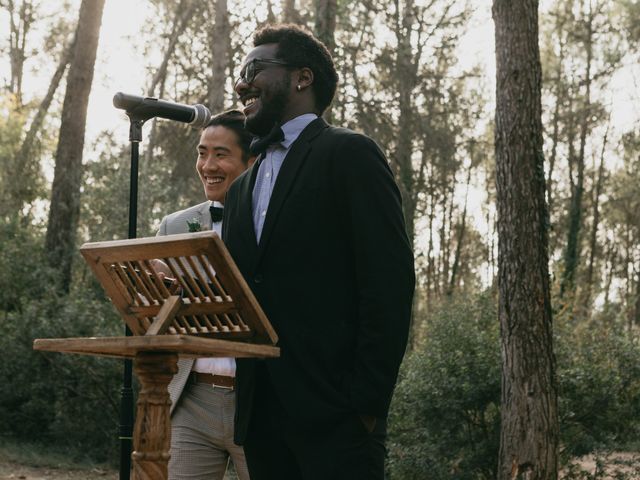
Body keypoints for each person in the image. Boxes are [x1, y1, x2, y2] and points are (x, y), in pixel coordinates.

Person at [223, 24, 416, 480]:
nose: (241, 83)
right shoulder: (240, 189)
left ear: (301, 78)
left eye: (254, 69)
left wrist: (365, 404)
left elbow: (388, 283)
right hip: (261, 418)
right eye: (239, 72)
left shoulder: (350, 154)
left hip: (338, 417)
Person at [156, 109, 254, 480]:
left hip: (259, 400)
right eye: (202, 152)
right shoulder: (175, 225)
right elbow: (152, 319)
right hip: (190, 398)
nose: (207, 165)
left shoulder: (277, 222)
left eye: (220, 154)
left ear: (252, 160)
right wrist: (158, 291)